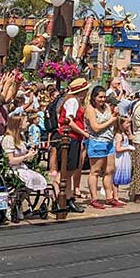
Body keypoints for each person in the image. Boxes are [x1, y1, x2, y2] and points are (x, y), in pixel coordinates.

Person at [57, 77, 91, 213]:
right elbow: (69, 121)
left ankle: (69, 198)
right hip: (70, 137)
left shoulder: (72, 101)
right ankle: (62, 198)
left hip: (74, 137)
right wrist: (83, 132)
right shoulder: (73, 101)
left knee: (71, 171)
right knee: (67, 171)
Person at [85, 85, 122, 209]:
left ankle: (109, 197)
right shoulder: (90, 109)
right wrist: (111, 120)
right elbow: (95, 127)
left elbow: (113, 120)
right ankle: (94, 198)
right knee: (95, 171)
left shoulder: (106, 107)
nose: (102, 99)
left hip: (109, 141)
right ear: (94, 97)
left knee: (109, 170)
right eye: (100, 97)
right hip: (97, 141)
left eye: (104, 97)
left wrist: (115, 117)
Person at [0, 114, 47, 192]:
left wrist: (30, 153)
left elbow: (24, 156)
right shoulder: (9, 139)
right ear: (18, 124)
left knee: (38, 178)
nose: (28, 123)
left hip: (22, 167)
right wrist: (26, 156)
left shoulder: (21, 137)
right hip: (12, 169)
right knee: (31, 179)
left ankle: (21, 199)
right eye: (26, 121)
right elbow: (10, 160)